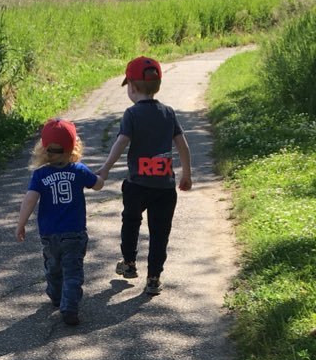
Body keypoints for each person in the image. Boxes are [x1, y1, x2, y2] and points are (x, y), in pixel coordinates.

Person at [97, 56, 192, 295]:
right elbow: (183, 145)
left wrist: (106, 168)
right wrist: (187, 173)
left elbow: (121, 143)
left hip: (137, 185)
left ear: (132, 87)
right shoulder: (168, 113)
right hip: (164, 187)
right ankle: (153, 278)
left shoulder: (131, 114)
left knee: (131, 221)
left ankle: (129, 263)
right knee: (160, 232)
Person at [16, 117, 104, 326]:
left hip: (49, 234)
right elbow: (98, 185)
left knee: (53, 267)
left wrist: (21, 224)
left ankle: (56, 296)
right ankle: (69, 307)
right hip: (74, 232)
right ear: (73, 147)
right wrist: (100, 176)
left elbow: (30, 200)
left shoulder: (40, 175)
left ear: (44, 149)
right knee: (73, 271)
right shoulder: (79, 170)